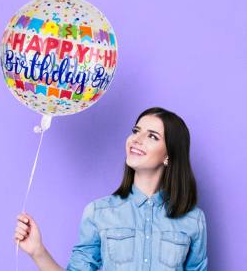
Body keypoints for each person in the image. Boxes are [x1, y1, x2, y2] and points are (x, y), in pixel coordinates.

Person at [14, 107, 208, 270]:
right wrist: (37, 251)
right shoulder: (98, 212)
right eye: (136, 131)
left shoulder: (193, 219)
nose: (137, 139)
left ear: (169, 155)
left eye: (152, 136)